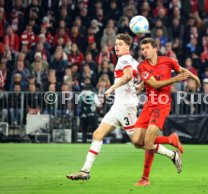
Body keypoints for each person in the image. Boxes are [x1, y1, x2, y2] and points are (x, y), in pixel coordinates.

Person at [66, 34, 187, 180]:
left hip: (125, 108)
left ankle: (170, 144)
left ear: (128, 47)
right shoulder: (134, 61)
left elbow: (128, 76)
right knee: (97, 135)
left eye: (120, 44)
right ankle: (85, 171)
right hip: (118, 106)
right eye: (116, 44)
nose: (117, 46)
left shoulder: (124, 60)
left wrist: (111, 88)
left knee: (140, 142)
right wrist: (139, 86)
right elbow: (140, 79)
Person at [131, 38, 200, 186]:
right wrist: (175, 79)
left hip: (162, 105)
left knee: (149, 140)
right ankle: (170, 140)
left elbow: (182, 70)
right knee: (137, 141)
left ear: (155, 49)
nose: (144, 51)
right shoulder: (142, 67)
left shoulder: (168, 61)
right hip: (149, 104)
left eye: (147, 48)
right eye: (142, 49)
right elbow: (155, 84)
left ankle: (145, 179)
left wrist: (195, 78)